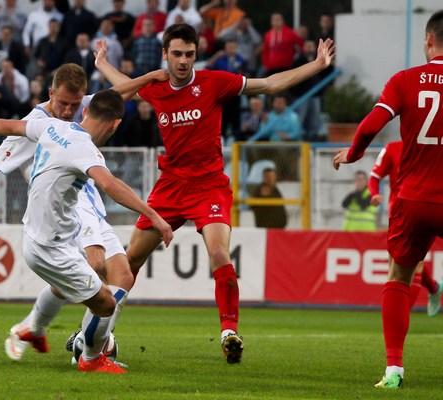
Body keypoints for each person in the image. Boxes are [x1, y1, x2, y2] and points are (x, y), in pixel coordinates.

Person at [95, 24, 335, 364]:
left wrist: (317, 64)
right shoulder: (156, 87)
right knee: (131, 260)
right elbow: (123, 86)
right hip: (170, 187)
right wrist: (101, 63)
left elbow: (269, 84)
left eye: (189, 54)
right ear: (165, 54)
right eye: (177, 54)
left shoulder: (214, 82)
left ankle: (229, 332)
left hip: (209, 186)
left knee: (219, 253)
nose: (183, 61)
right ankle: (98, 332)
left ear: (197, 54)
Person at [0, 63, 169, 365]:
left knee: (120, 275)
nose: (70, 111)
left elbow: (112, 97)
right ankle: (90, 347)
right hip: (64, 210)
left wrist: (149, 77)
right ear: (51, 94)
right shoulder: (38, 122)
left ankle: (38, 327)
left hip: (86, 201)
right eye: (65, 104)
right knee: (95, 269)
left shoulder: (75, 113)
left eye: (77, 104)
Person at [332, 10, 443, 389]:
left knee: (399, 277)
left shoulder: (405, 80)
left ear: (429, 40)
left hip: (412, 199)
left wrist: (353, 153)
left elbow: (370, 126)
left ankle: (394, 370)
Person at [369, 140, 443, 316]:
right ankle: (433, 287)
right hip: (398, 213)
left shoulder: (431, 146)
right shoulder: (391, 148)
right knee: (397, 267)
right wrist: (374, 194)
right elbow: (374, 176)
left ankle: (400, 317)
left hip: (425, 207)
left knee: (414, 265)